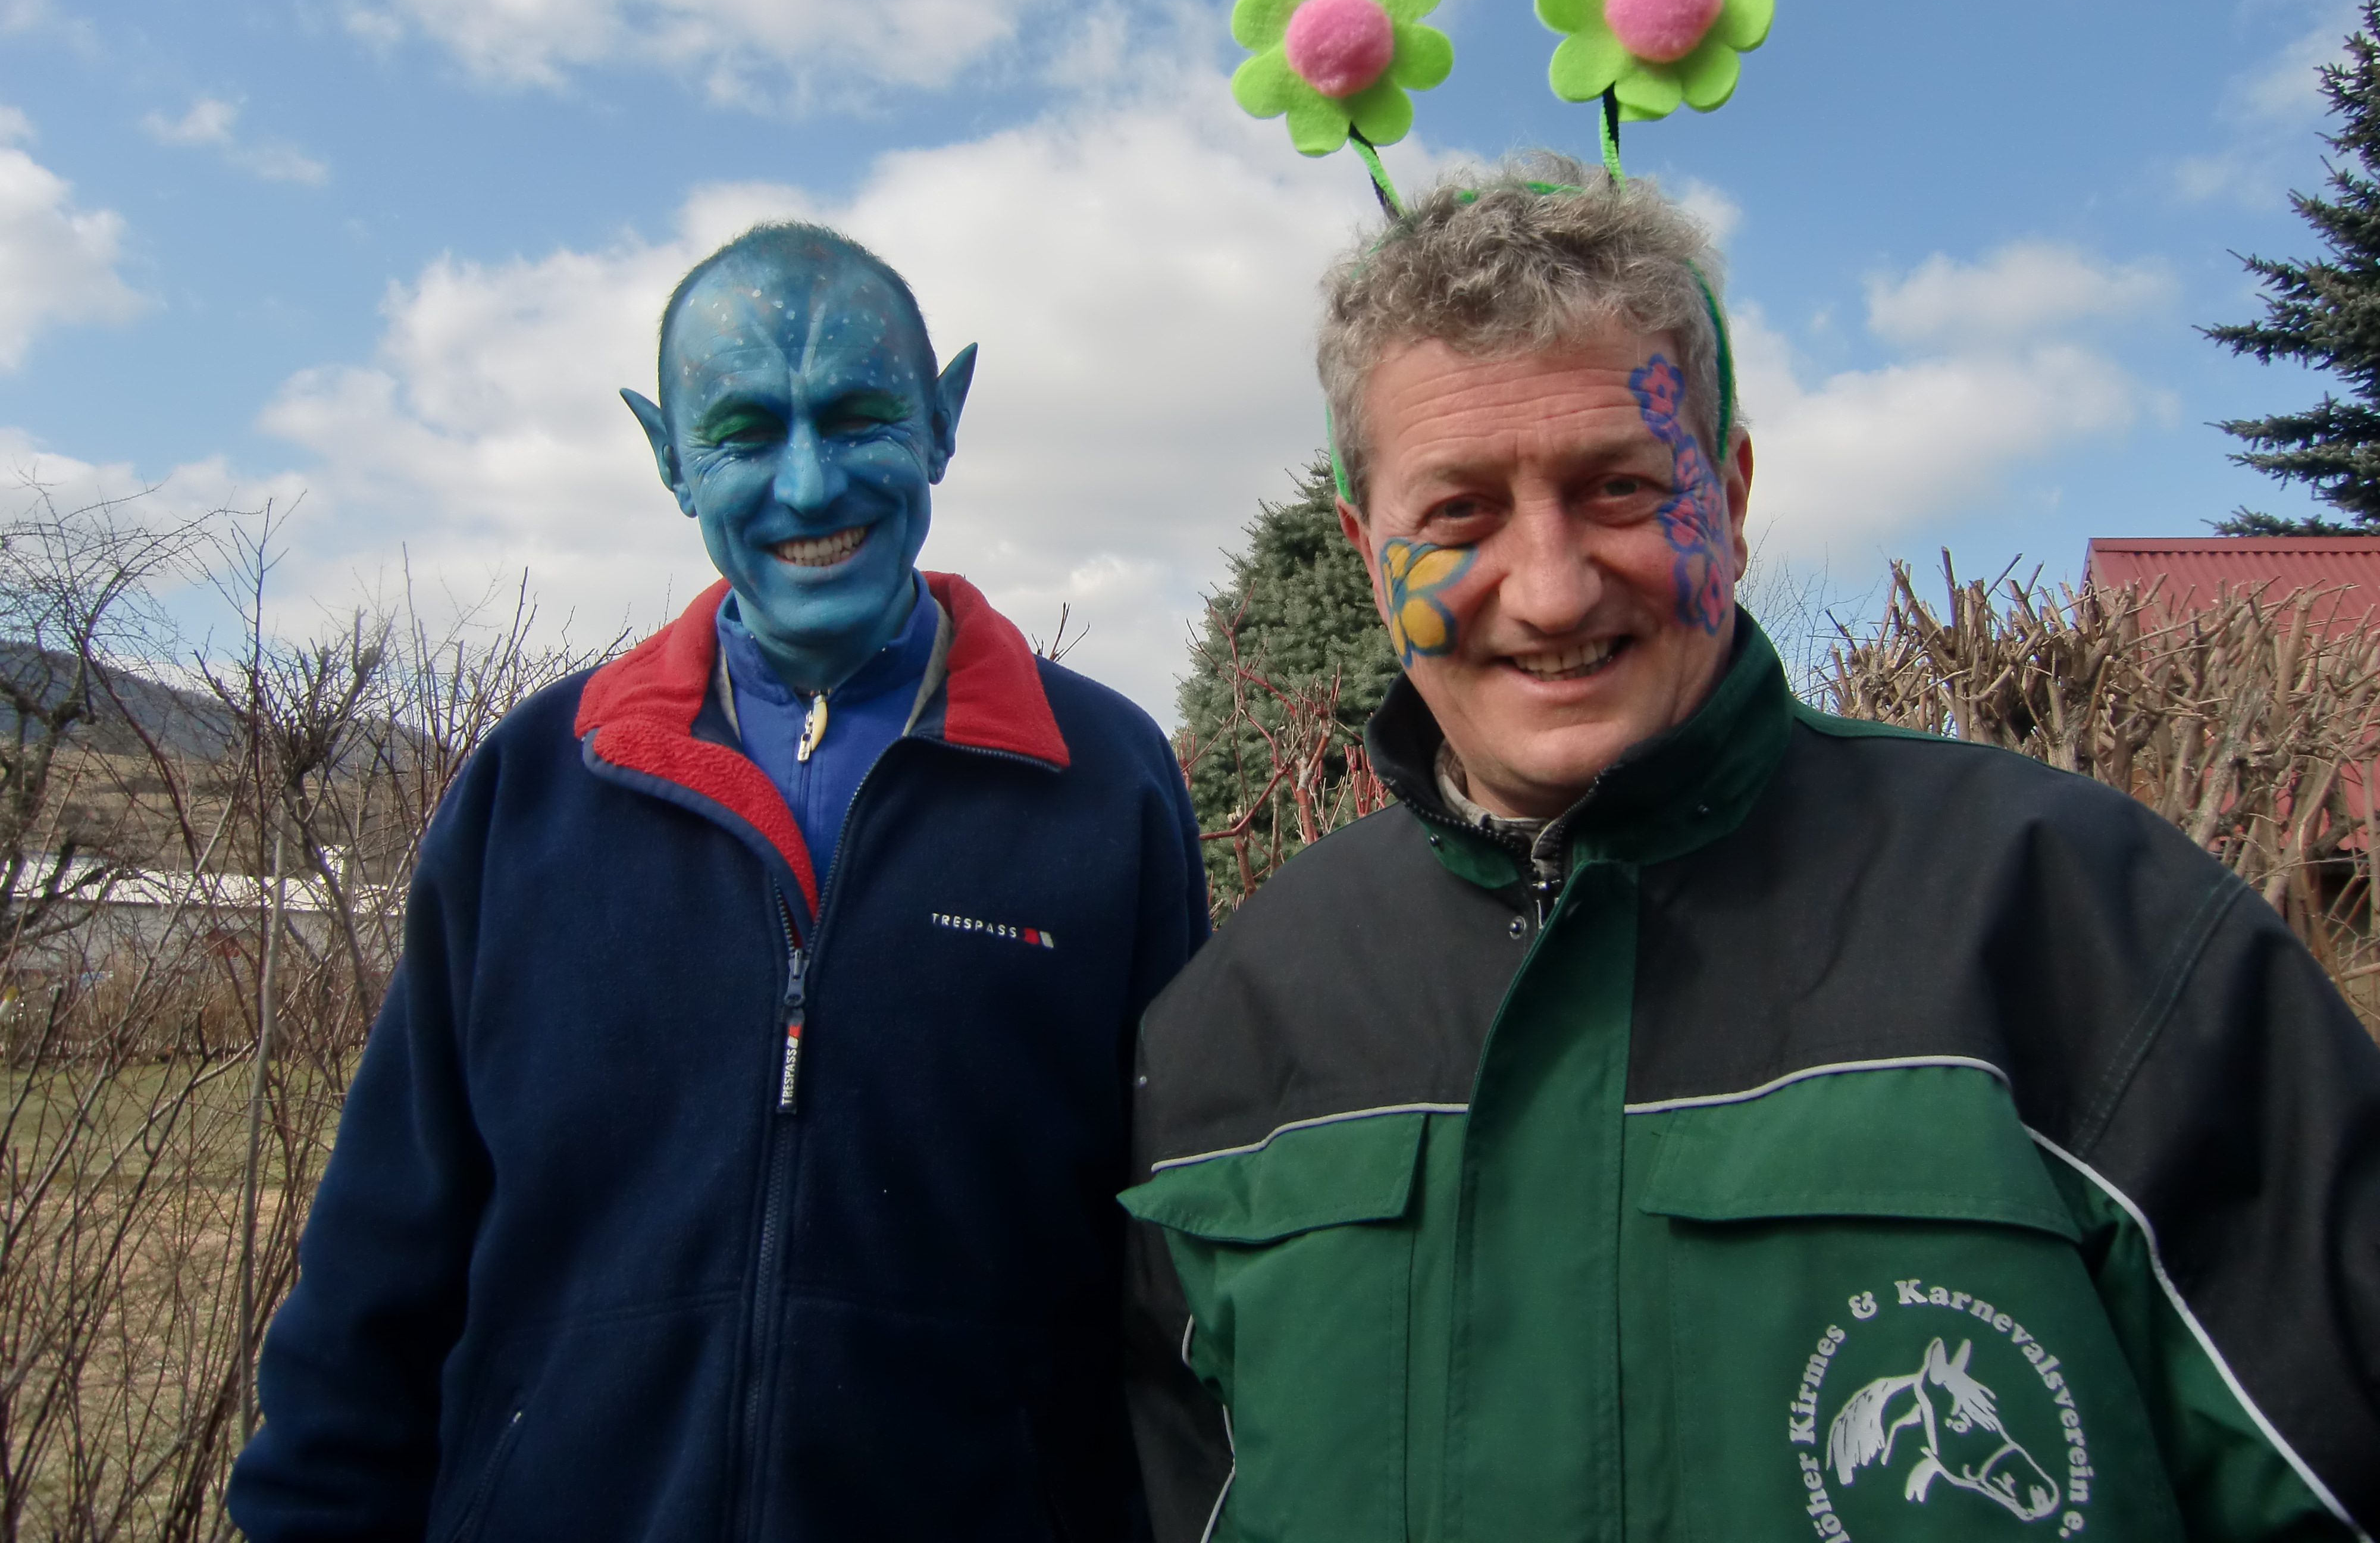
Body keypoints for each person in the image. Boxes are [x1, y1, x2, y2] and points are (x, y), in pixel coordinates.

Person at [1120, 157, 2380, 1542]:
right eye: (1459, 513)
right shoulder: (1234, 1024)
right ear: (1369, 551)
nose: (1549, 591)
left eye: (1617, 489)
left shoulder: (2088, 925)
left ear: (1724, 494)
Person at [229, 222, 1207, 1541]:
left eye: (859, 417)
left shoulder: (1104, 784)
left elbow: (1173, 1270)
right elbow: (379, 1259)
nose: (808, 484)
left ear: (943, 420)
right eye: (744, 434)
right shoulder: (536, 784)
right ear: (668, 456)